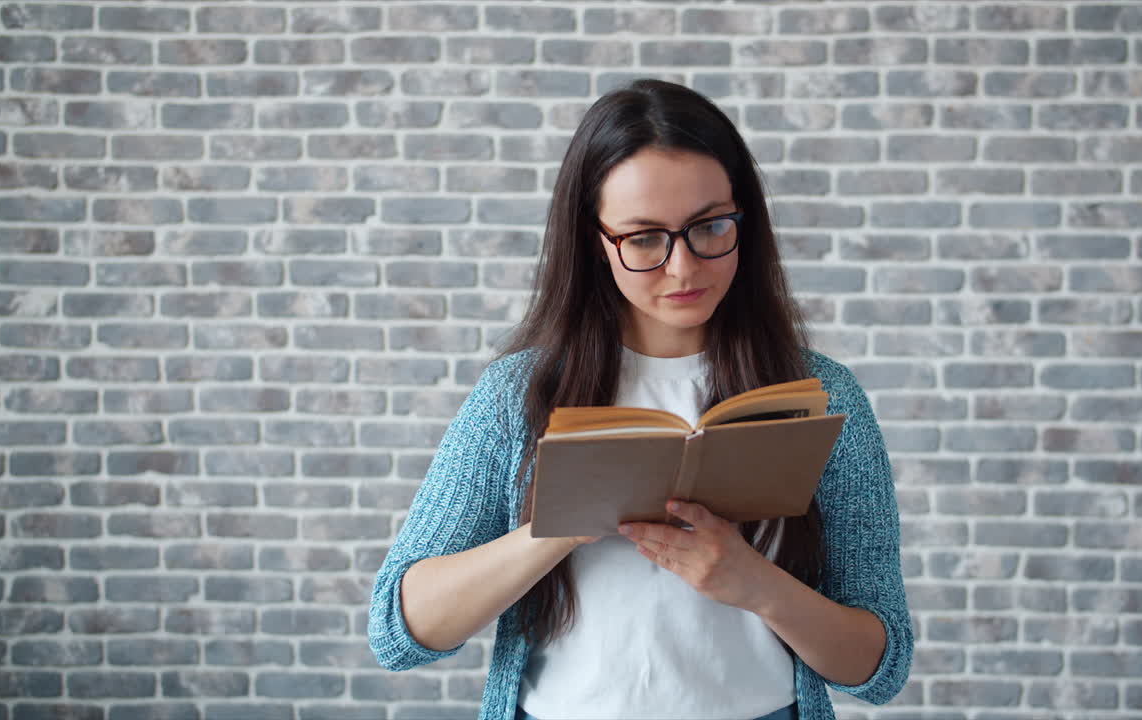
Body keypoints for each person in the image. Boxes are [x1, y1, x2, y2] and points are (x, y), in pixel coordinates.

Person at [368, 79, 912, 720]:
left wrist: (756, 584)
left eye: (710, 227)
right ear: (597, 242)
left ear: (745, 219)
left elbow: (880, 667)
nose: (684, 268)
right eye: (645, 238)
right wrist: (558, 527)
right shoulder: (518, 397)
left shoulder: (821, 396)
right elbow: (398, 633)